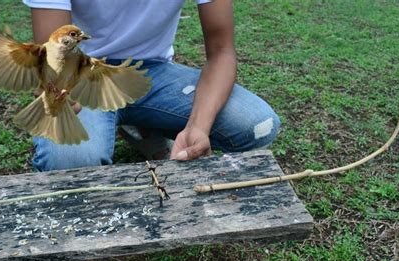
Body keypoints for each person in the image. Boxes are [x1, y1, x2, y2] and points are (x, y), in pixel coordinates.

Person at [23, 0, 281, 171]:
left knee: (255, 123)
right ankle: (139, 128)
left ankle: (143, 128)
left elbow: (222, 51)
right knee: (69, 164)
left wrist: (197, 126)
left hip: (153, 73)